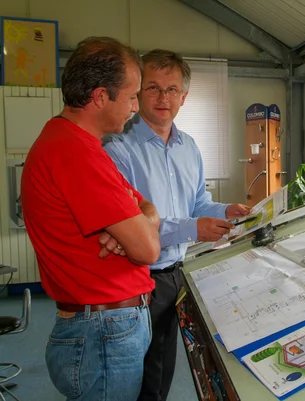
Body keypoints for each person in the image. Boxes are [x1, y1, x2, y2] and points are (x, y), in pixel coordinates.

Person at [102, 49, 251, 401]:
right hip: (136, 279)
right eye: (153, 88)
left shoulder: (190, 148)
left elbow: (197, 203)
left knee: (164, 368)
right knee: (134, 375)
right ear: (137, 92)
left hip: (178, 275)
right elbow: (130, 224)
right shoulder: (118, 149)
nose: (162, 98)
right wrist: (193, 228)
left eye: (171, 90)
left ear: (184, 97)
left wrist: (226, 210)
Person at [20, 36, 162, 401]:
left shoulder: (79, 145)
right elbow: (147, 250)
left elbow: (146, 206)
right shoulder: (74, 152)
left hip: (105, 325)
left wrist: (133, 225)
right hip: (103, 330)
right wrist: (137, 229)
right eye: (131, 96)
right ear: (100, 97)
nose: (135, 106)